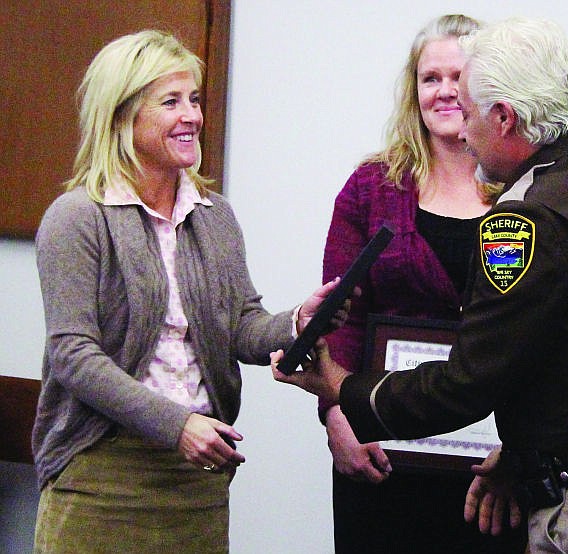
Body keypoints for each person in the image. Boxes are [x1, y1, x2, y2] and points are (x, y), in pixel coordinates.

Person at [274, 16, 568, 554]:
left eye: (471, 112)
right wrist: (527, 448)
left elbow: (467, 384)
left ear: (503, 118)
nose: (465, 131)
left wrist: (339, 387)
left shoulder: (524, 219)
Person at [32, 30, 348, 553]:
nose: (192, 116)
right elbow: (74, 356)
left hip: (197, 478)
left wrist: (298, 321)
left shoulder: (214, 216)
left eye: (195, 100)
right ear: (122, 115)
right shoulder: (77, 218)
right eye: (171, 102)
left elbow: (241, 327)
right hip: (100, 474)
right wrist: (177, 425)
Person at [317, 14, 526, 554]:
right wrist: (337, 415)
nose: (445, 92)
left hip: (493, 465)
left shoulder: (526, 192)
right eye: (431, 78)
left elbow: (544, 330)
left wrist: (525, 448)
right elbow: (341, 319)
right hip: (382, 449)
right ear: (413, 91)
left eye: (460, 77)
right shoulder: (372, 187)